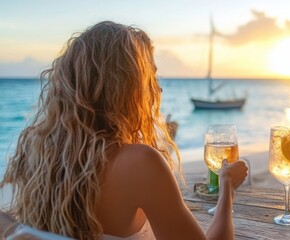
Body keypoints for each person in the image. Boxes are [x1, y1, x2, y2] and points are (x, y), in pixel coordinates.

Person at [0, 21, 248, 240]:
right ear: (128, 87)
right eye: (151, 78)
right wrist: (226, 188)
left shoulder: (39, 152)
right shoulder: (140, 162)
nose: (158, 91)